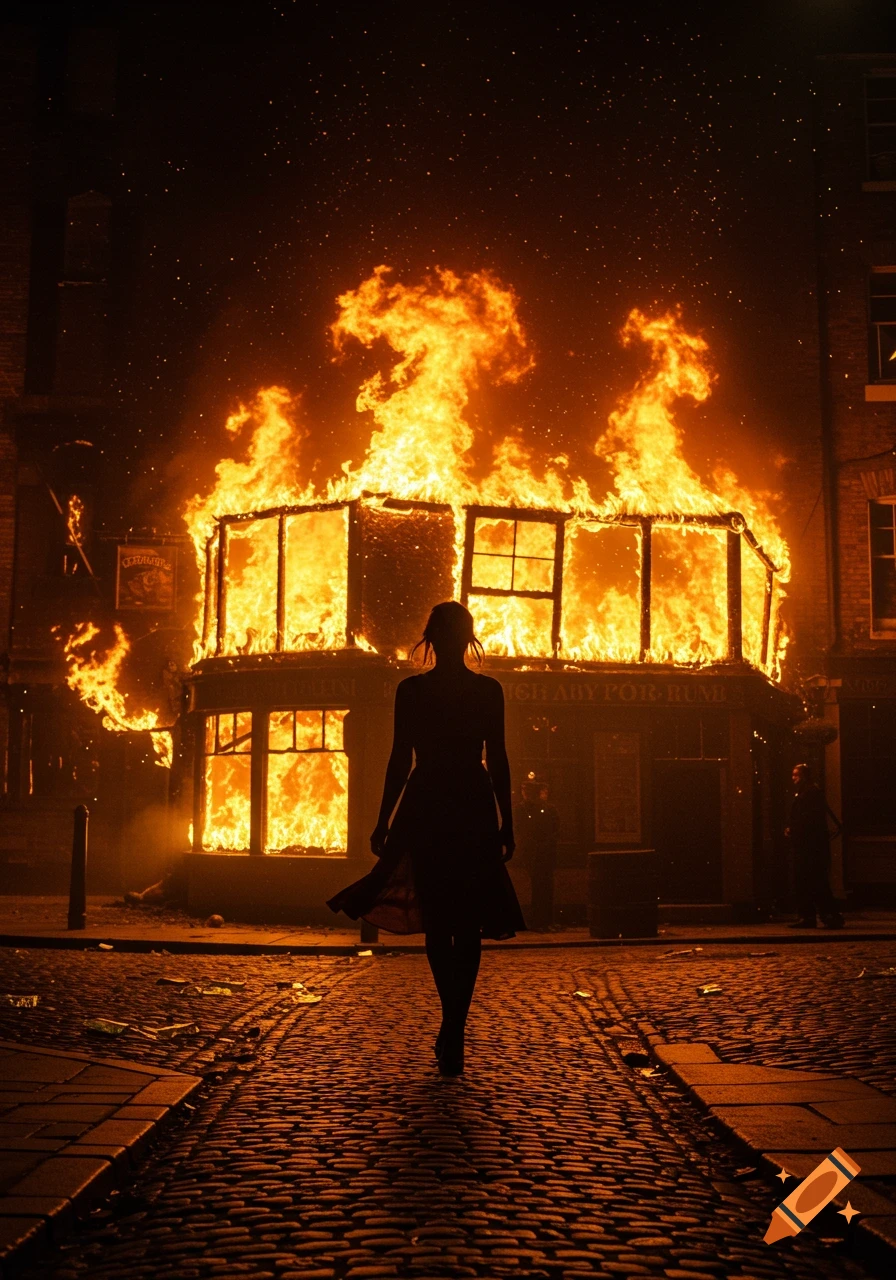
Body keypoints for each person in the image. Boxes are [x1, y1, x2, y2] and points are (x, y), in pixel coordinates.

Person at [327, 601, 525, 1075]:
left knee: (440, 919)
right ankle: (455, 1026)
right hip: (472, 803)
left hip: (429, 802)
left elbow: (401, 759)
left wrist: (384, 820)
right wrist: (507, 820)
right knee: (470, 920)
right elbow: (497, 759)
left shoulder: (412, 691)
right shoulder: (488, 692)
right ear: (467, 638)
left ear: (430, 639)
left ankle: (451, 1025)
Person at [785, 762, 844, 929]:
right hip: (813, 846)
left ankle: (813, 916)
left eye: (796, 775)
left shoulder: (808, 794)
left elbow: (807, 820)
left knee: (807, 881)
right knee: (816, 881)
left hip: (808, 847)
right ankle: (827, 915)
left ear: (803, 776)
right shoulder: (811, 792)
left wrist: (793, 830)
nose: (793, 778)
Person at [516, 773, 560, 931]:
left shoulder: (544, 808)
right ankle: (540, 921)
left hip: (541, 852)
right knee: (540, 887)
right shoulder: (526, 809)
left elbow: (554, 829)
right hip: (534, 853)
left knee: (544, 887)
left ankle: (543, 920)